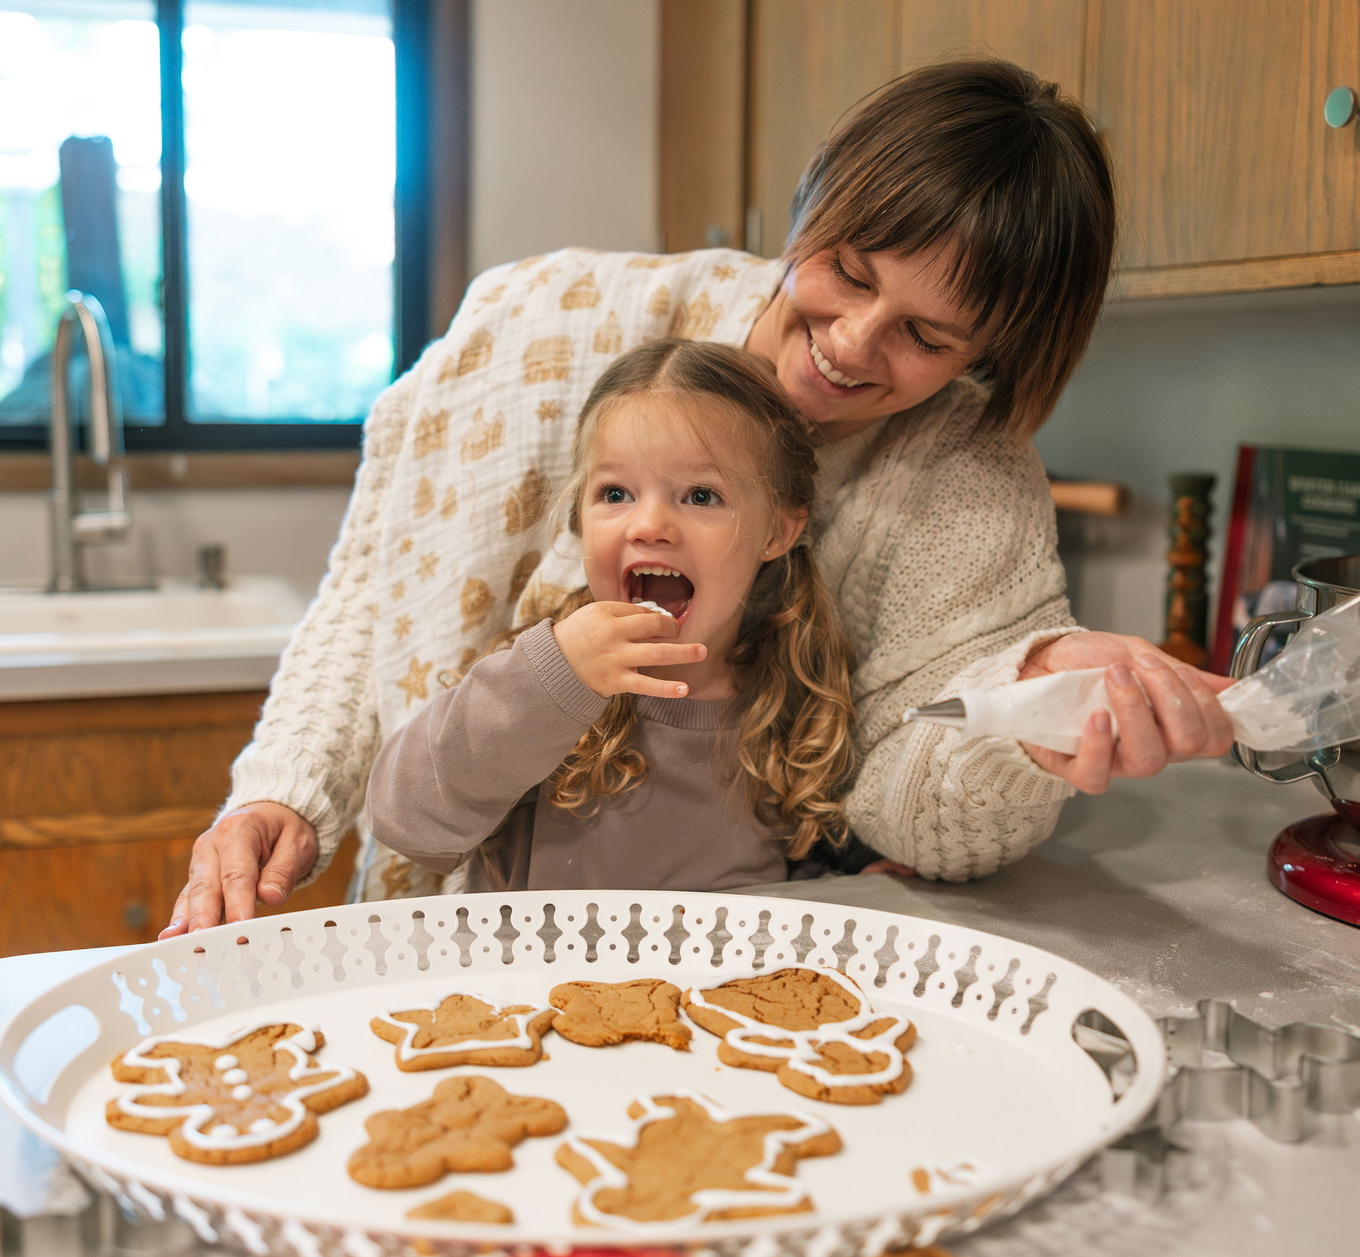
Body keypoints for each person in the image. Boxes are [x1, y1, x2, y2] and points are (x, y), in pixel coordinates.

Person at [163, 59, 1233, 936]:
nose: (851, 344)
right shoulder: (559, 320)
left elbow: (911, 787)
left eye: (926, 336)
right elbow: (377, 593)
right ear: (813, 203)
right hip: (459, 948)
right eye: (849, 271)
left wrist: (1027, 703)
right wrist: (284, 788)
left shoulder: (962, 482)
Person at [365, 338, 855, 890]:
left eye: (700, 496)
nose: (649, 525)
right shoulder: (540, 682)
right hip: (527, 976)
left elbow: (790, 879)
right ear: (580, 514)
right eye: (616, 492)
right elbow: (404, 820)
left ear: (776, 532)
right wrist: (550, 681)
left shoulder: (794, 700)